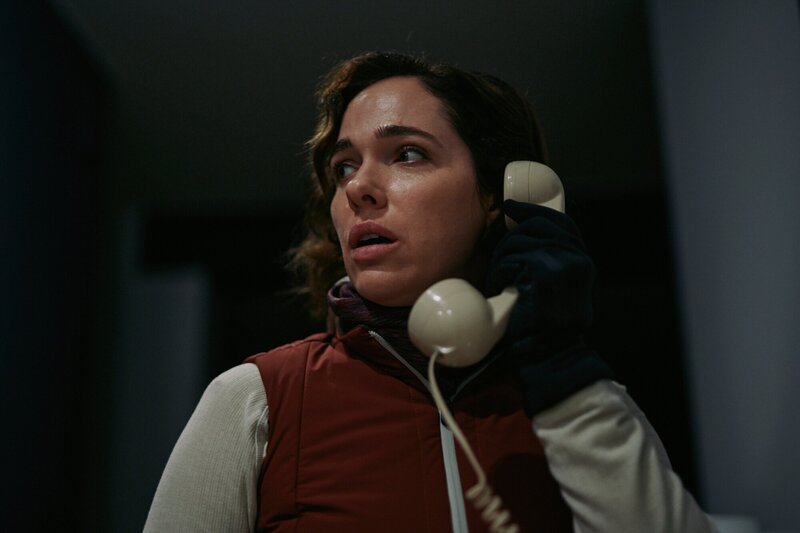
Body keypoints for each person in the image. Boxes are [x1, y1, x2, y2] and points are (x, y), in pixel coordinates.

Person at [143, 51, 716, 532]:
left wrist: (561, 372)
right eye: (343, 167)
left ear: (500, 195)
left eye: (407, 153)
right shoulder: (257, 399)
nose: (359, 188)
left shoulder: (581, 396)